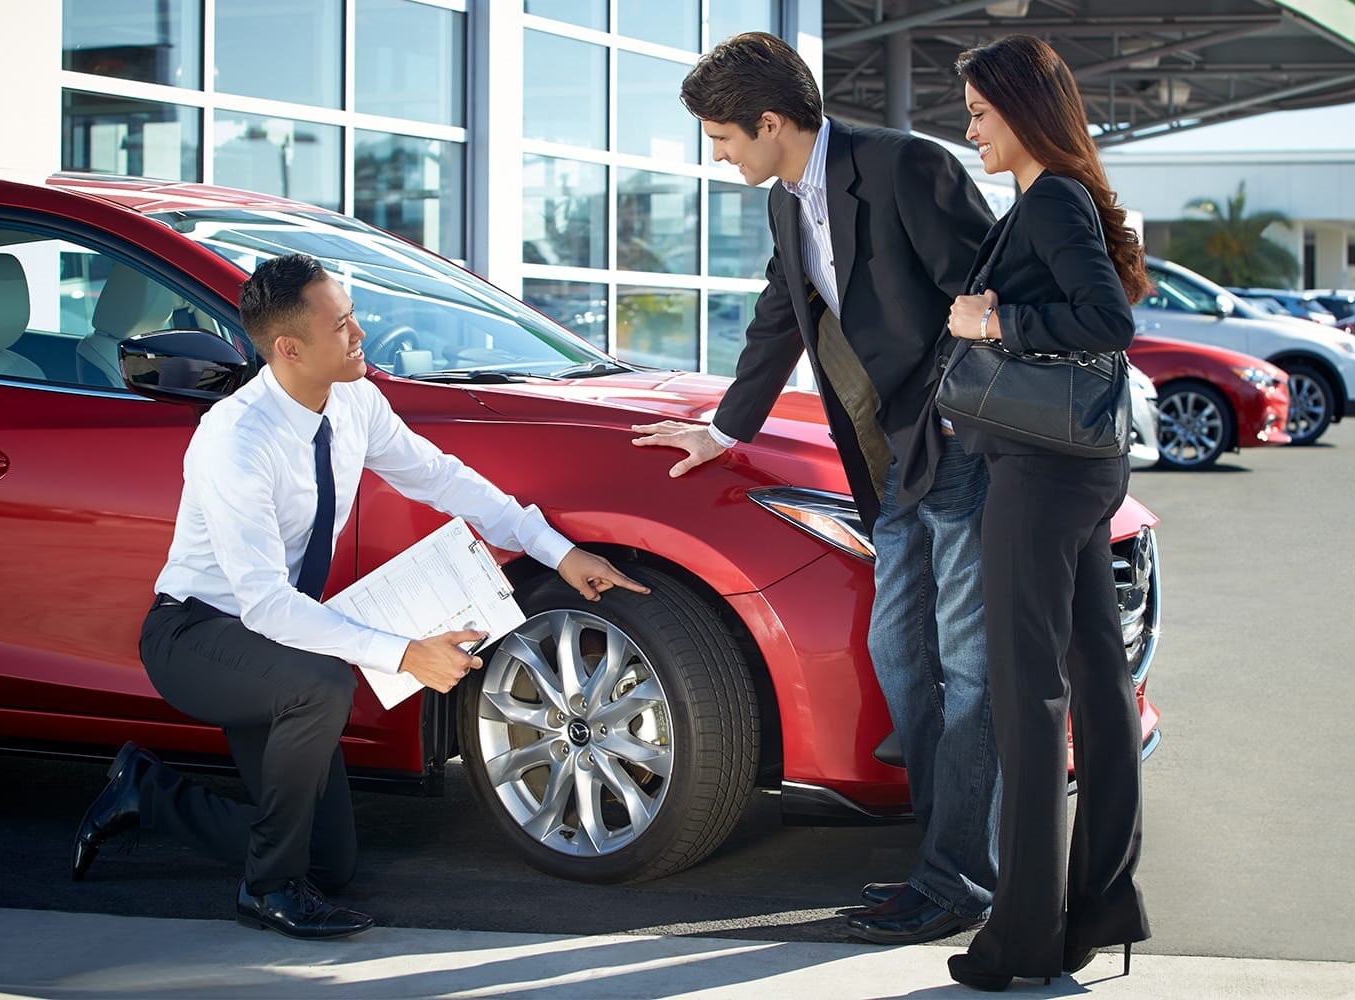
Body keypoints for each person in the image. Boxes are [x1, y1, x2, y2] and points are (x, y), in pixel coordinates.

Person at [69, 253, 648, 940]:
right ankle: (267, 890)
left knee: (328, 861)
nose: (360, 334)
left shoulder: (354, 401)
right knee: (320, 685)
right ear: (289, 348)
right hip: (198, 636)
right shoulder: (236, 440)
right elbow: (262, 605)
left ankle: (146, 792)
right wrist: (405, 654)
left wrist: (558, 549)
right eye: (341, 325)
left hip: (273, 646)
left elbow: (443, 480)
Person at [630, 31, 1000, 945]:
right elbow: (778, 316)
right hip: (894, 467)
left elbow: (985, 296)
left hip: (961, 452)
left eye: (722, 139)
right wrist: (723, 428)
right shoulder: (789, 203)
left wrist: (955, 415)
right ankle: (940, 861)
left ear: (769, 123)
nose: (718, 158)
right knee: (905, 660)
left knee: (966, 670)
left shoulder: (906, 167)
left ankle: (962, 880)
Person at [942, 35, 1152, 991]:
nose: (971, 127)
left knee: (1032, 703)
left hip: (1041, 475)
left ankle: (1021, 940)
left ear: (1025, 110)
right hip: (1080, 469)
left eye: (982, 111)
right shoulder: (1048, 199)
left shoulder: (1054, 198)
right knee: (1098, 688)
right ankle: (1097, 910)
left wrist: (994, 323)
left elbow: (1108, 321)